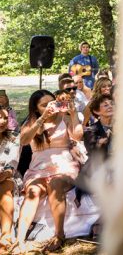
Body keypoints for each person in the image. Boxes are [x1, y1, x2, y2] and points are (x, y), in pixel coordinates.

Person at [16, 89, 83, 252]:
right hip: (38, 168)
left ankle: (59, 235)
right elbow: (24, 140)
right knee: (33, 191)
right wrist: (43, 118)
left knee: (55, 184)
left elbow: (78, 136)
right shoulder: (32, 122)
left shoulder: (65, 117)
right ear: (36, 108)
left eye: (51, 102)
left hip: (64, 165)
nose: (49, 106)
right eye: (43, 105)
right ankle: (19, 239)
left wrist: (73, 114)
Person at [0, 107, 20, 250]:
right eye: (0, 117)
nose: (2, 121)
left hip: (8, 176)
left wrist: (5, 173)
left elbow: (13, 163)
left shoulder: (13, 138)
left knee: (5, 188)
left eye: (6, 118)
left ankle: (6, 235)